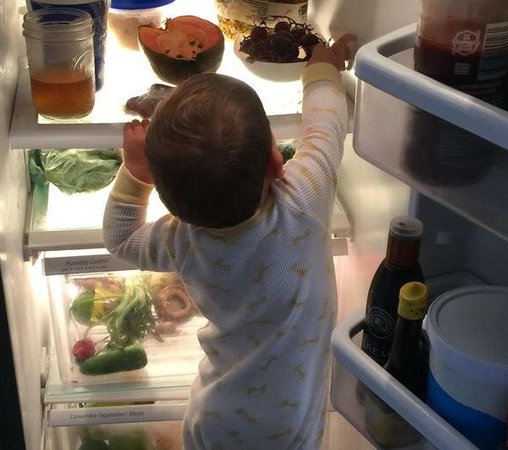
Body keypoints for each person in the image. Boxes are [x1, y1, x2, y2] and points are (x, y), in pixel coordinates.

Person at [103, 34, 355, 449]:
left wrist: (135, 174)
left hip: (216, 418)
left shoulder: (181, 239)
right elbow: (326, 129)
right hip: (290, 424)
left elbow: (120, 239)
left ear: (169, 200)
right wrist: (322, 68)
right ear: (276, 162)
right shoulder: (303, 200)